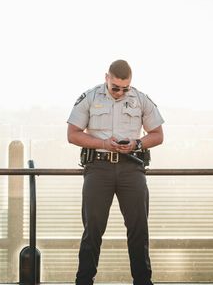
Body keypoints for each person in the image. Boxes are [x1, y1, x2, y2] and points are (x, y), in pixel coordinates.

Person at [67, 59, 164, 285]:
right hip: (98, 168)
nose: (120, 92)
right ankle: (83, 281)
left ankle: (142, 281)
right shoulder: (90, 97)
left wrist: (137, 143)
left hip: (132, 168)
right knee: (93, 229)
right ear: (106, 78)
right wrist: (103, 144)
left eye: (125, 88)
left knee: (139, 228)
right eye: (115, 88)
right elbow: (72, 134)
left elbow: (158, 134)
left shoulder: (141, 99)